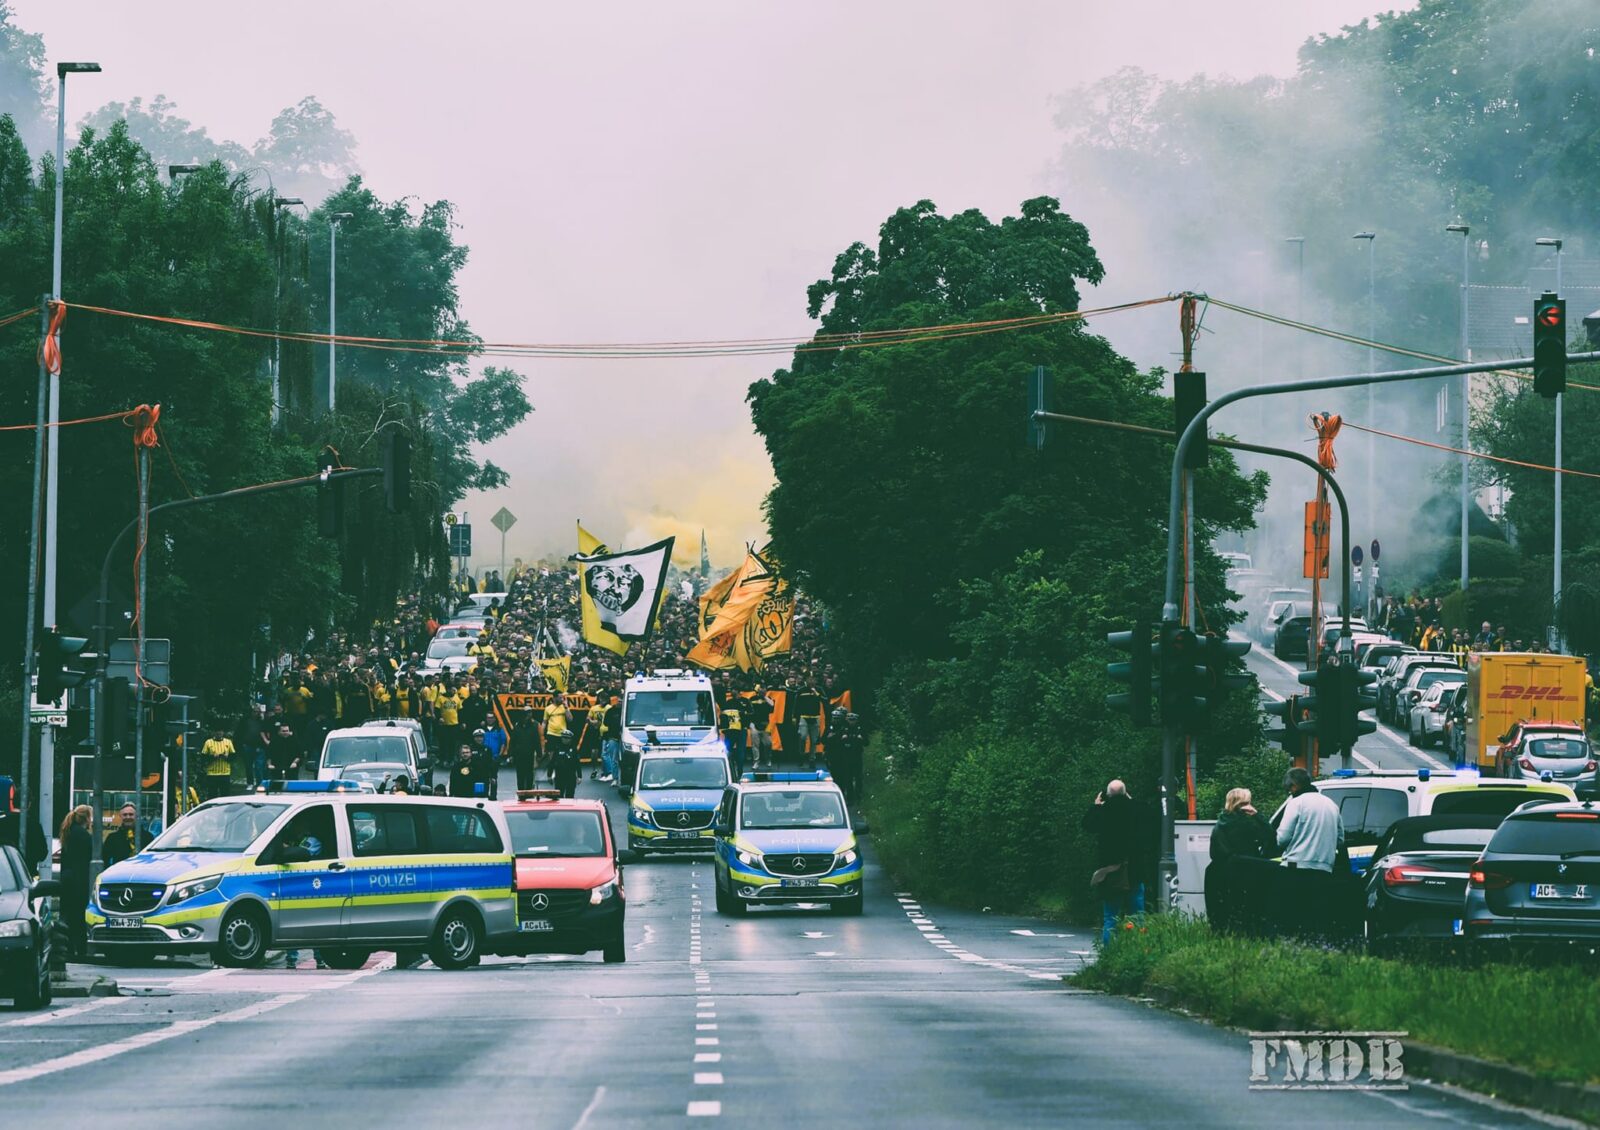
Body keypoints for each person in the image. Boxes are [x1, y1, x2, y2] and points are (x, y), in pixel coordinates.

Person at [1274, 767, 1347, 939]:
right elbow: (1341, 839)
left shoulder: (1296, 803)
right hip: (1324, 869)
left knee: (1294, 915)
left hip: (1296, 868)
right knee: (1316, 917)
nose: (1290, 792)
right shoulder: (1331, 804)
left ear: (1294, 786)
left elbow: (1282, 838)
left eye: (1289, 789)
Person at [1083, 780, 1155, 945]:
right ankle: (1139, 948)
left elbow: (1087, 825)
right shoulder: (1137, 809)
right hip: (1135, 870)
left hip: (1111, 872)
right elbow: (1150, 818)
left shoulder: (1104, 811)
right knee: (1138, 915)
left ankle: (1109, 953)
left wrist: (1096, 806)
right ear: (1125, 792)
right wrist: (1131, 800)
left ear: (1107, 795)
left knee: (1110, 917)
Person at [1205, 788, 1275, 934]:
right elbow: (1271, 836)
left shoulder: (1220, 823)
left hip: (1221, 872)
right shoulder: (1247, 824)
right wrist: (1258, 815)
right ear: (1243, 804)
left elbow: (1215, 852)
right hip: (1247, 870)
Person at [59, 805, 93, 959]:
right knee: (79, 915)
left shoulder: (68, 831)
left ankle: (68, 947)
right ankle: (80, 949)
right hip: (79, 878)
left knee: (68, 914)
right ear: (87, 817)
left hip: (67, 877)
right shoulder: (83, 835)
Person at [794, 680, 824, 768]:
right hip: (804, 717)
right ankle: (801, 756)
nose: (811, 683)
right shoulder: (801, 690)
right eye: (809, 681)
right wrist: (795, 716)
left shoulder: (819, 689)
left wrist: (816, 693)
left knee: (814, 740)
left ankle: (812, 759)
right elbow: (796, 704)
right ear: (806, 681)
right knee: (803, 736)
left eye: (813, 681)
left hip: (815, 717)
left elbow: (824, 699)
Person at [201, 728, 236, 799]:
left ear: (223, 732)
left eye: (220, 731)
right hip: (212, 773)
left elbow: (233, 757)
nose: (219, 733)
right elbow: (203, 758)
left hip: (225, 773)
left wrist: (227, 757)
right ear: (214, 732)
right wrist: (212, 757)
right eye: (217, 731)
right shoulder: (208, 742)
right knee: (212, 795)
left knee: (225, 795)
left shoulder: (228, 742)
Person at [745, 686, 774, 770]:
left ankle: (768, 759)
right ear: (758, 690)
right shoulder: (752, 699)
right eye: (761, 690)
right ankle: (756, 762)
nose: (762, 691)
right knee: (755, 745)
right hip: (754, 724)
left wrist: (765, 696)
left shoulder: (768, 699)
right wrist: (750, 724)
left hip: (765, 725)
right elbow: (749, 711)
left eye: (764, 690)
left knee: (768, 744)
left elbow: (772, 705)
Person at [103, 802, 140, 867]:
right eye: (125, 815)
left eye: (131, 814)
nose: (128, 817)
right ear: (120, 816)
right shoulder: (112, 838)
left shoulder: (147, 837)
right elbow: (105, 859)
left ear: (136, 816)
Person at [601, 693, 623, 785]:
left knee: (624, 760)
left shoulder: (626, 710)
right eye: (619, 701)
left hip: (624, 738)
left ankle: (625, 779)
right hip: (613, 738)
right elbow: (605, 723)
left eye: (622, 701)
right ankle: (615, 779)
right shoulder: (610, 711)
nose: (620, 703)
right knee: (614, 759)